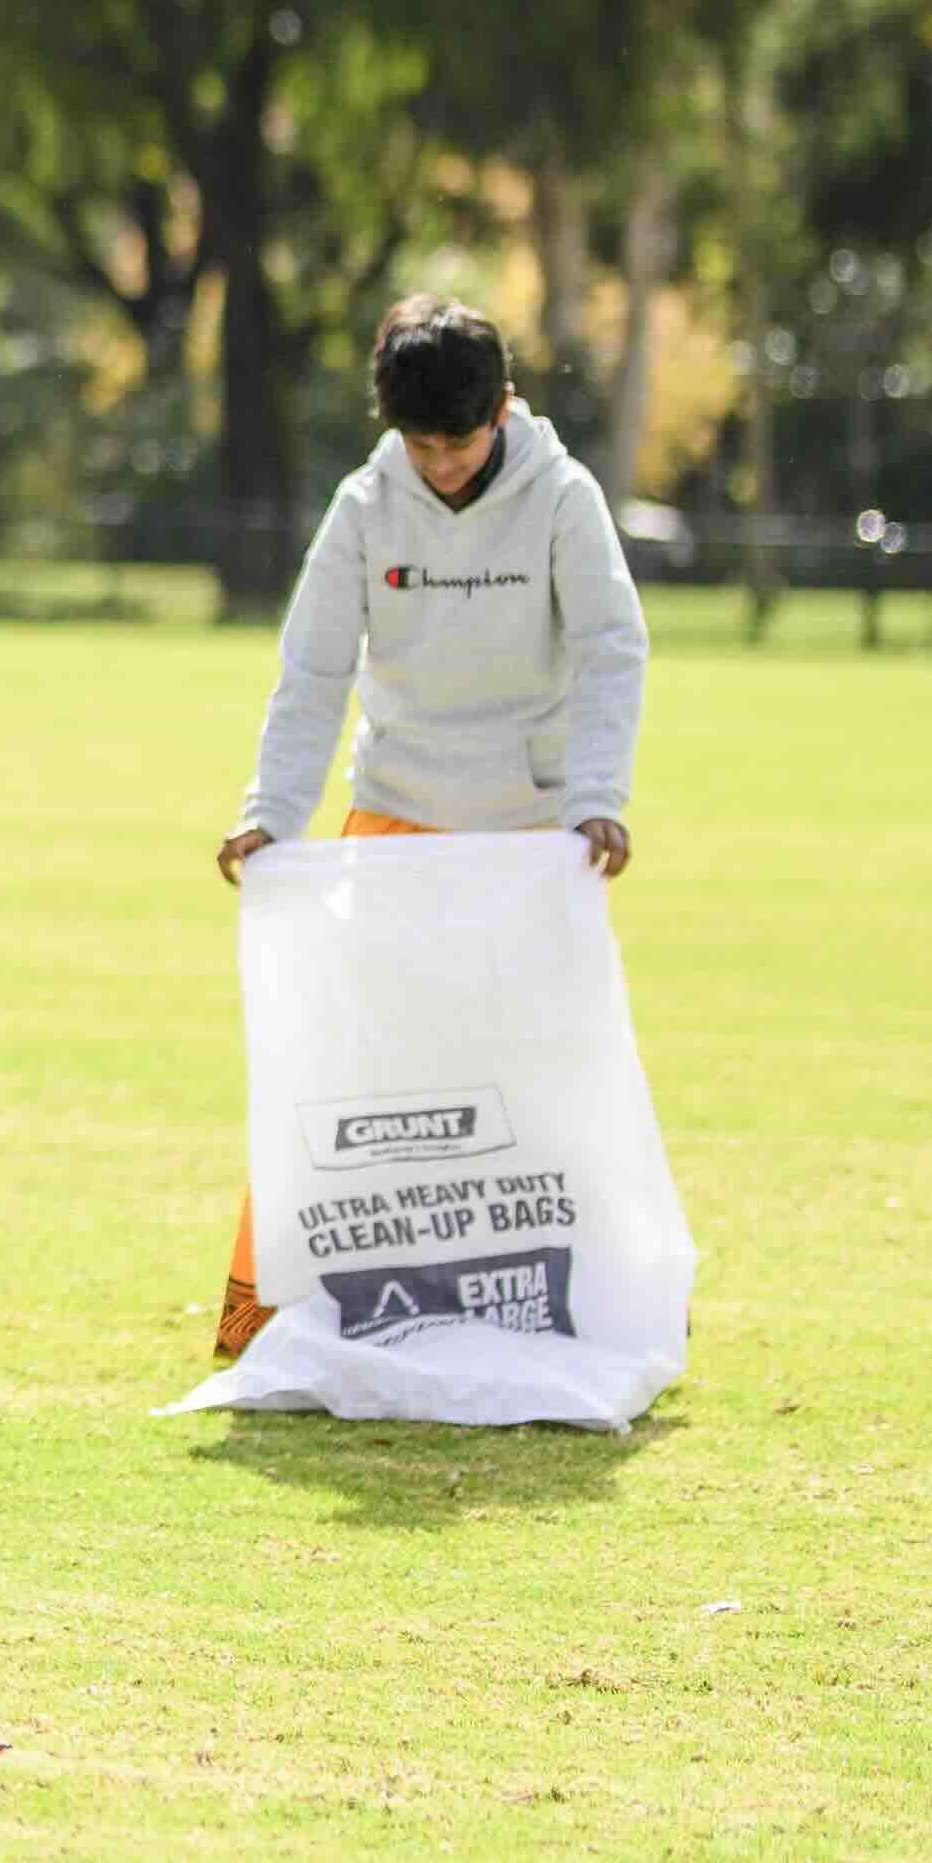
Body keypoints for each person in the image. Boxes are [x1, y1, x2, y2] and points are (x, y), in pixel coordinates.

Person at [201, 295, 646, 1356]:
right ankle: (270, 1311)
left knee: (542, 1072)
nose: (440, 463)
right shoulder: (365, 506)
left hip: (531, 838)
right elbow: (313, 671)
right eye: (418, 442)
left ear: (503, 409)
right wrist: (271, 814)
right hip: (395, 821)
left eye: (458, 440)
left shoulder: (563, 499)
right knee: (350, 1072)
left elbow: (610, 649)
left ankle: (591, 1302)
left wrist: (597, 797)